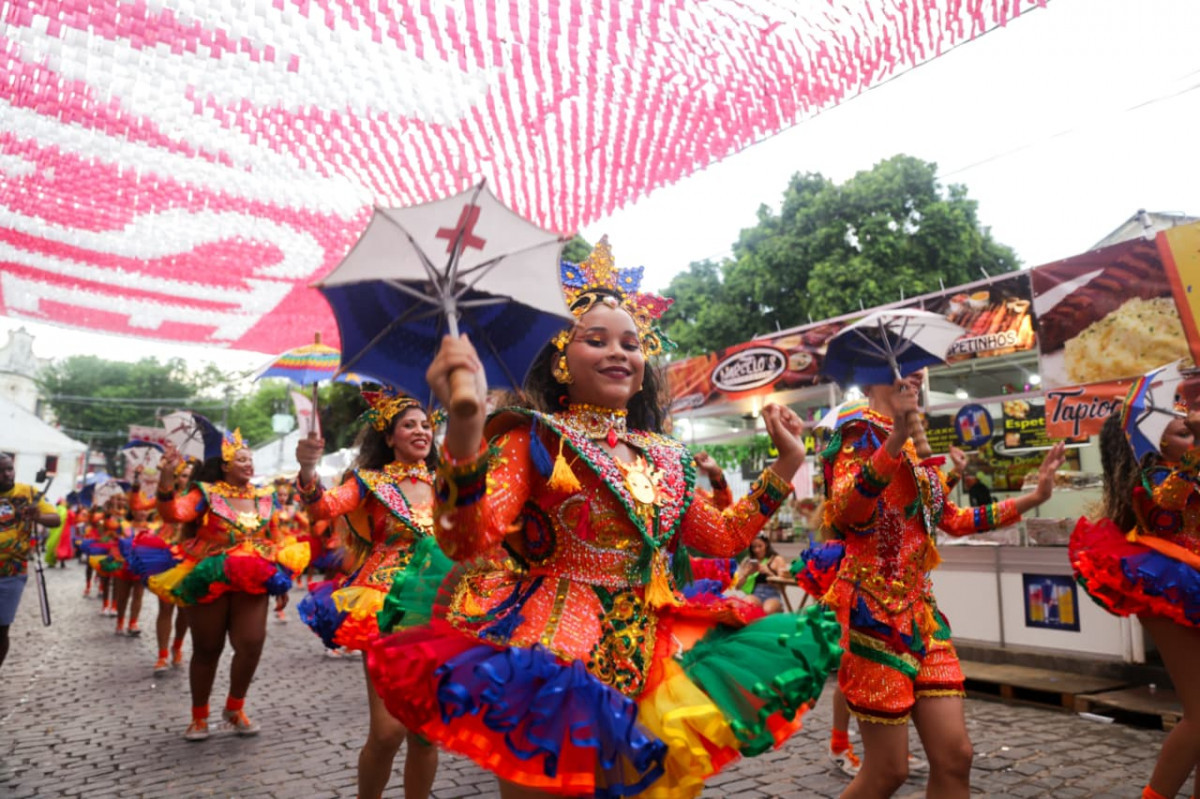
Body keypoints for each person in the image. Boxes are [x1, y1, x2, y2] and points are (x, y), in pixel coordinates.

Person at [366, 239, 840, 799]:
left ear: (644, 367)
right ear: (562, 359)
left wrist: (785, 465)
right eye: (597, 340)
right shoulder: (532, 437)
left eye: (631, 343)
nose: (619, 352)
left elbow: (723, 536)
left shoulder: (666, 456)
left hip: (651, 656)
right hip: (551, 663)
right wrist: (465, 432)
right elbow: (468, 539)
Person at [822, 371, 1065, 799]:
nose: (917, 374)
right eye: (905, 364)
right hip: (872, 618)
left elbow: (950, 520)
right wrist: (894, 439)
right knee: (888, 771)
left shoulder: (914, 447)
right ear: (873, 374)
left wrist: (1034, 498)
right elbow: (847, 511)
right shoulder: (855, 433)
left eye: (920, 366)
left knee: (956, 757)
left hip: (924, 619)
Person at [293, 388, 441, 799]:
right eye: (409, 425)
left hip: (439, 609)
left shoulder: (449, 482)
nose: (420, 431)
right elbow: (323, 509)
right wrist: (308, 470)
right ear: (389, 438)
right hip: (382, 605)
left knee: (426, 733)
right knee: (388, 730)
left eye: (426, 424)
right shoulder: (370, 482)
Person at [1070, 407, 1200, 799]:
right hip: (1163, 583)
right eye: (1184, 435)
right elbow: (1171, 499)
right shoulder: (1156, 477)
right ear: (1153, 442)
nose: (1191, 438)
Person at [151, 429, 308, 740]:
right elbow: (174, 512)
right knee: (208, 648)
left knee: (251, 643)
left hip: (254, 576)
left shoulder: (265, 497)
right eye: (240, 459)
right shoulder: (205, 493)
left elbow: (275, 539)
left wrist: (281, 581)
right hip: (211, 574)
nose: (248, 464)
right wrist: (167, 478)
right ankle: (199, 716)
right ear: (224, 465)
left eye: (250, 459)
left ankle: (234, 707)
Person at [0, 453, 60, 669]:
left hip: (11, 572)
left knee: (2, 628)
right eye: (2, 471)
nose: (7, 474)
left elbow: (55, 519)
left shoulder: (29, 493)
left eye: (10, 468)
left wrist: (37, 516)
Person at [733, 535, 789, 614]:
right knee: (747, 605)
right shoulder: (748, 561)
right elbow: (737, 587)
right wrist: (746, 574)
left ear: (766, 544)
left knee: (767, 610)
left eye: (760, 546)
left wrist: (768, 572)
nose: (757, 550)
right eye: (754, 547)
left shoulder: (777, 560)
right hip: (755, 594)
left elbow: (783, 587)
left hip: (772, 595)